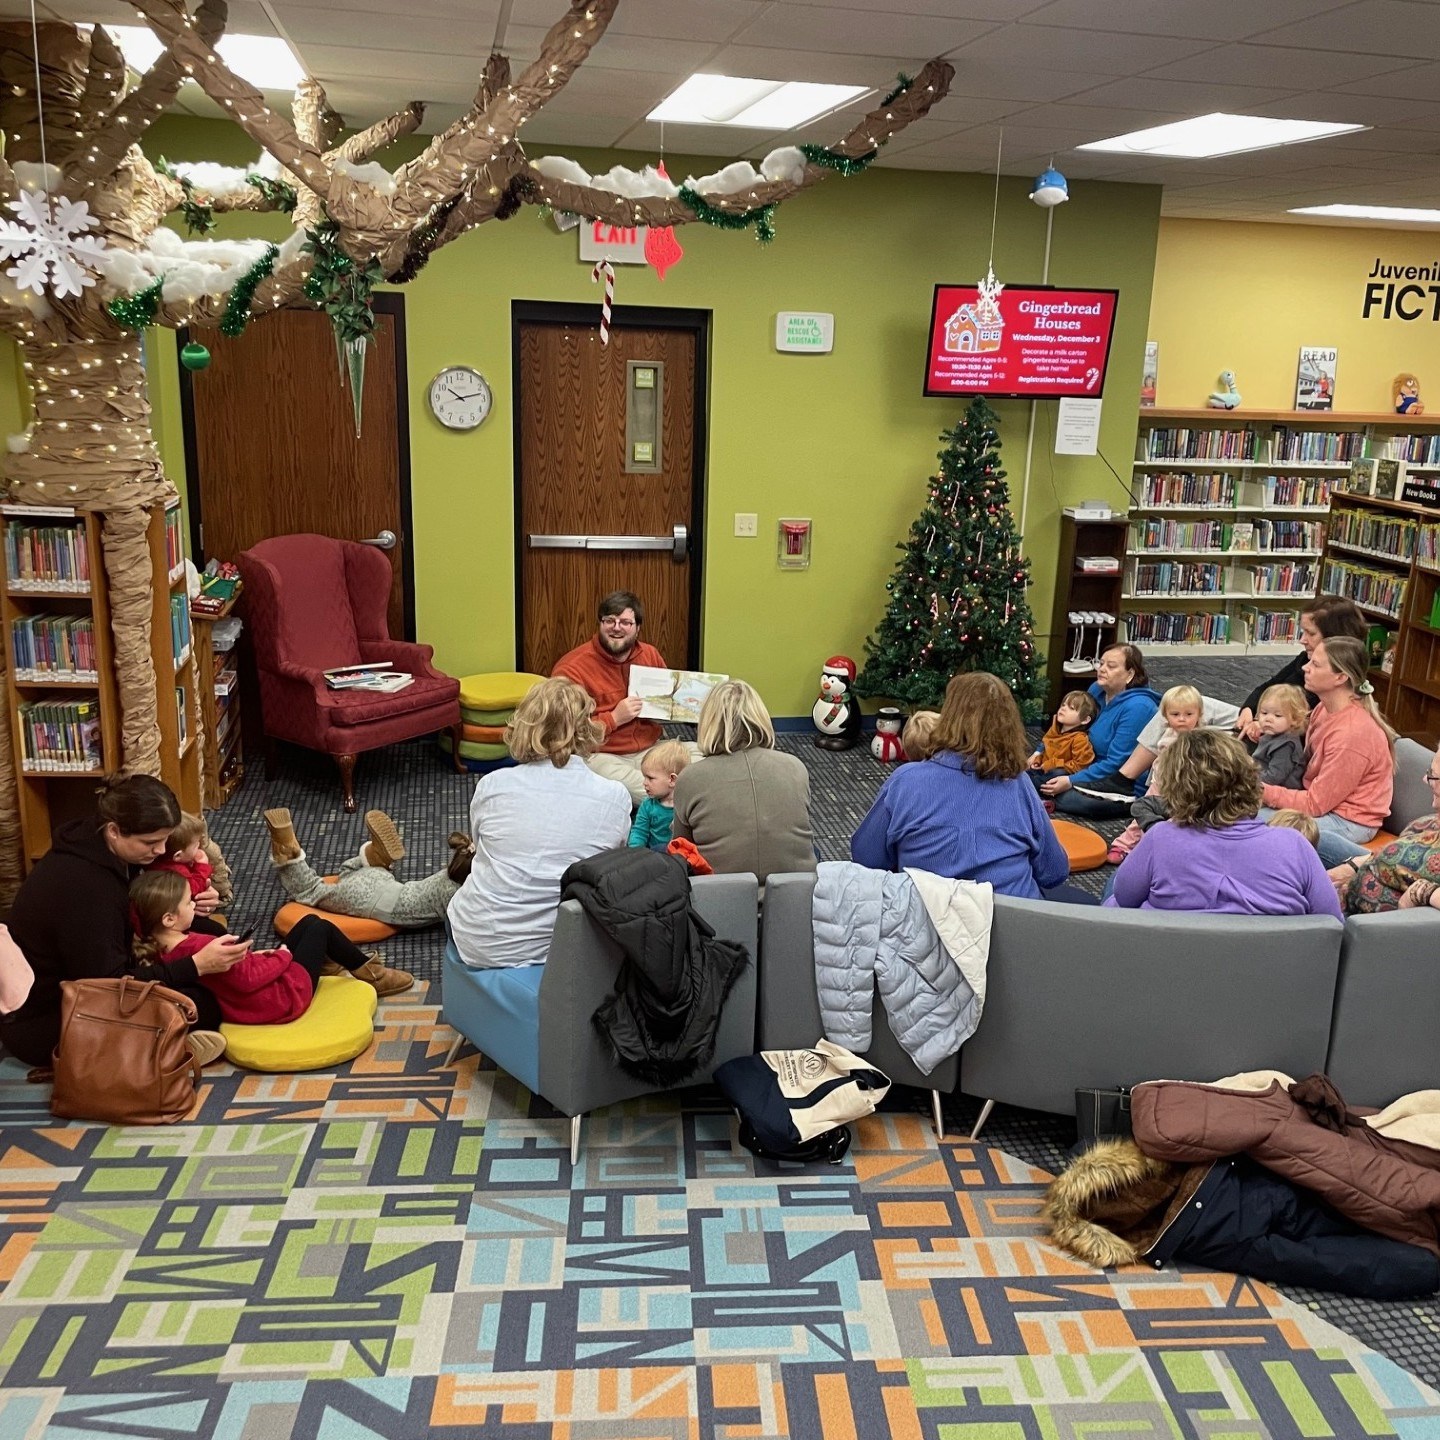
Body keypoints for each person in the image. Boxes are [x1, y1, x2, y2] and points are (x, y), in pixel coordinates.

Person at [0, 774, 251, 1069]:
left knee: (210, 931)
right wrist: (196, 965)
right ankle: (160, 1048)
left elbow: (141, 907)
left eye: (165, 840)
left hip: (94, 977)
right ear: (114, 831)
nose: (160, 851)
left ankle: (164, 1041)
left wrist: (191, 900)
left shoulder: (100, 845)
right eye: (151, 842)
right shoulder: (86, 890)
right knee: (204, 1001)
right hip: (52, 1020)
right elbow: (108, 985)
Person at [853, 671, 1086, 902]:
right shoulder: (1018, 784)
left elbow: (866, 858)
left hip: (926, 925)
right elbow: (1054, 872)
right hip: (1010, 928)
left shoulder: (905, 781)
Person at [448, 677, 631, 968]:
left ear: (524, 725)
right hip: (569, 946)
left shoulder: (492, 785)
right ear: (586, 728)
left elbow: (479, 851)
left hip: (484, 941)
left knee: (450, 885)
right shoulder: (615, 796)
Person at [1106, 730, 1342, 917]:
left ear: (1175, 789)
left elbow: (1125, 899)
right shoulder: (1295, 845)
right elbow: (1330, 923)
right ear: (1249, 779)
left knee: (1114, 889)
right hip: (1271, 973)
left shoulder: (1161, 838)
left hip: (1170, 970)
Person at [130, 871, 411, 1024]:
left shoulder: (162, 951)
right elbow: (249, 978)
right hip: (281, 999)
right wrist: (281, 956)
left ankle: (330, 964)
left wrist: (259, 956)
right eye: (189, 903)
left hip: (253, 1001)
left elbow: (237, 973)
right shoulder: (203, 946)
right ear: (169, 918)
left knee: (308, 923)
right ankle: (373, 975)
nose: (195, 906)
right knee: (319, 927)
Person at [1259, 636, 1396, 868]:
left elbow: (1315, 804)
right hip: (1324, 803)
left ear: (1340, 677)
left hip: (1348, 820)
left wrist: (1259, 790)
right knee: (1236, 809)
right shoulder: (1324, 708)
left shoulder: (1352, 734)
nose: (1305, 667)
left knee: (1249, 823)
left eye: (1315, 664)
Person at [552, 590, 698, 805]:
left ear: (637, 628)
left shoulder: (650, 654)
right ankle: (683, 804)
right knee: (638, 786)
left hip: (653, 747)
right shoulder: (572, 668)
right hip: (602, 754)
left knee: (710, 758)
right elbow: (566, 733)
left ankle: (673, 799)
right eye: (609, 620)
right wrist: (614, 718)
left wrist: (691, 705)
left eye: (625, 622)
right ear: (600, 624)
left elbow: (671, 704)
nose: (616, 627)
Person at [671, 680, 817, 882]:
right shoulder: (795, 767)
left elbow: (681, 848)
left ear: (707, 722)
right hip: (796, 897)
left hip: (718, 899)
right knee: (813, 849)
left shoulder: (690, 777)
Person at [263, 806, 470, 934]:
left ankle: (375, 856)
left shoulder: (449, 872)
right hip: (372, 900)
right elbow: (461, 930)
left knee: (348, 873)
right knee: (312, 890)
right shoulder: (454, 894)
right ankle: (288, 848)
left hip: (381, 882)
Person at [1042, 644, 1161, 819]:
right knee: (1051, 773)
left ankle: (1041, 795)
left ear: (1130, 674)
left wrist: (1071, 781)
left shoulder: (1139, 707)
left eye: (1111, 666)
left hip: (1119, 783)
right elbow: (1068, 727)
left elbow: (1116, 763)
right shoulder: (1097, 689)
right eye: (1101, 663)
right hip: (1087, 764)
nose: (1102, 669)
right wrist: (1039, 751)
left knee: (1077, 798)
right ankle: (1042, 793)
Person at [1234, 596, 1368, 743]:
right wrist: (1249, 709)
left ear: (1334, 637)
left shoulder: (1328, 690)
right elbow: (1270, 686)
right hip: (1264, 718)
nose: (1302, 640)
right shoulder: (1305, 660)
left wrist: (1265, 723)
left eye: (1310, 633)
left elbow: (1301, 727)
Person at [1106, 684, 1204, 864]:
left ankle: (1153, 852)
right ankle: (1124, 845)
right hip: (1159, 784)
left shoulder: (1200, 740)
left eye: (1189, 714)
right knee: (1142, 815)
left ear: (1199, 714)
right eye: (1175, 715)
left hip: (1184, 788)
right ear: (1166, 716)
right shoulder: (1168, 735)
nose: (1182, 719)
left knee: (1176, 821)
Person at [1333, 753, 1440, 914]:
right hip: (1358, 876)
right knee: (1320, 840)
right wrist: (1354, 865)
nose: (1425, 779)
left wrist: (1424, 892)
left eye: (1433, 776)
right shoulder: (1430, 822)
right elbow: (1393, 850)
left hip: (1358, 921)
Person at [1027, 690, 1098, 789]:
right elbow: (1046, 747)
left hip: (1057, 775)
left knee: (1058, 772)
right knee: (1026, 769)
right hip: (1042, 770)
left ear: (1085, 720)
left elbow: (1081, 765)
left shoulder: (1079, 739)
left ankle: (1031, 787)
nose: (1063, 709)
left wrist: (1055, 764)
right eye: (1063, 705)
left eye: (1071, 708)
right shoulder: (1054, 729)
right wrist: (1038, 760)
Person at [628, 739, 691, 851]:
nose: (644, 783)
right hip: (653, 855)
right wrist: (635, 852)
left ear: (672, 780)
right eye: (644, 777)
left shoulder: (686, 805)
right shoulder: (648, 805)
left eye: (650, 778)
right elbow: (639, 832)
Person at [144, 812, 213, 899]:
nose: (199, 845)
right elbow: (194, 890)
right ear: (178, 856)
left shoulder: (153, 860)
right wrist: (202, 866)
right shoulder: (178, 872)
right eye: (195, 845)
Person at [1252, 684, 1309, 789]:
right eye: (1264, 713)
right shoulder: (1272, 734)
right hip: (1260, 780)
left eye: (1277, 715)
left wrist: (1245, 777)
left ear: (1295, 719)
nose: (1268, 719)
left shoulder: (1286, 746)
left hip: (1276, 792)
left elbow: (1273, 778)